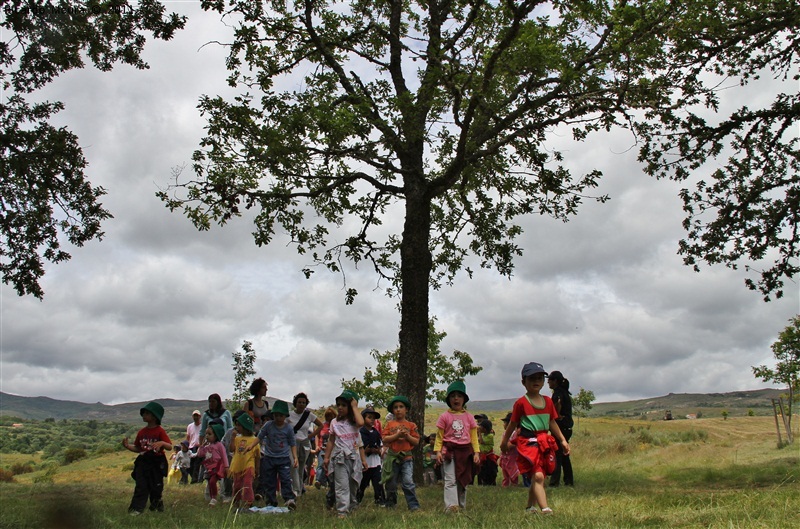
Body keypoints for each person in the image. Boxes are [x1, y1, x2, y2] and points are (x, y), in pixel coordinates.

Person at [500, 362, 570, 515]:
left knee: (539, 476)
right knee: (538, 475)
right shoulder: (521, 403)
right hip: (528, 444)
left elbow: (552, 422)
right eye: (532, 378)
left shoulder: (548, 401)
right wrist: (504, 442)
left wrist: (563, 440)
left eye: (539, 378)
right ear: (523, 382)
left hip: (544, 443)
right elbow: (512, 424)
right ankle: (545, 509)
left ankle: (529, 507)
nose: (536, 381)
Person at [434, 381, 479, 512]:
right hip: (449, 451)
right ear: (449, 399)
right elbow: (439, 436)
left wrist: (476, 453)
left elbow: (474, 437)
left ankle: (461, 505)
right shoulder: (444, 416)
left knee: (462, 479)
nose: (456, 398)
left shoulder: (469, 417)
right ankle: (451, 507)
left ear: (464, 399)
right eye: (453, 396)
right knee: (450, 479)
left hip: (465, 452)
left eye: (459, 395)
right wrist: (438, 451)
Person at [122, 401, 172, 516]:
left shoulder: (160, 431)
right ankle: (136, 509)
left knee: (156, 487)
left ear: (154, 416)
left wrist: (162, 443)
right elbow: (138, 448)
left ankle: (156, 506)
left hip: (157, 462)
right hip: (143, 462)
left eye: (147, 413)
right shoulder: (141, 432)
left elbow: (169, 446)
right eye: (143, 413)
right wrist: (128, 446)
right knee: (141, 485)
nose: (144, 415)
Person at [324, 390, 367, 518]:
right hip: (340, 458)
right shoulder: (334, 423)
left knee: (353, 484)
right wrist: (326, 457)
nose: (340, 408)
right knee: (341, 485)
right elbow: (331, 440)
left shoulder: (355, 423)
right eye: (339, 405)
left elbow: (361, 423)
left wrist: (354, 406)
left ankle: (352, 506)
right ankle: (342, 511)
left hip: (354, 458)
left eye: (344, 405)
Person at [380, 395, 420, 511]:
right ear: (392, 410)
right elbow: (385, 439)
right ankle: (391, 504)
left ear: (406, 409)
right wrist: (397, 435)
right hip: (392, 457)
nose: (398, 409)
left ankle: (413, 505)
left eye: (401, 407)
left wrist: (407, 436)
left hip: (407, 458)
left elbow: (416, 441)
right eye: (395, 407)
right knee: (391, 482)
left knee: (408, 482)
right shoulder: (389, 424)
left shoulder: (411, 425)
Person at [256, 399, 298, 510]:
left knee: (285, 479)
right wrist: (252, 446)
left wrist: (295, 457)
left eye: (280, 415)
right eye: (276, 415)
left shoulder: (288, 428)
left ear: (285, 416)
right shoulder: (268, 425)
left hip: (283, 458)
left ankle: (289, 499)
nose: (278, 418)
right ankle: (270, 501)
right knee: (269, 480)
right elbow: (259, 437)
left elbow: (292, 443)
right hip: (269, 457)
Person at [288, 392, 323, 497]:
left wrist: (311, 435)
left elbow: (320, 425)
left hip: (304, 443)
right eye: (299, 402)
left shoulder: (309, 415)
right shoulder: (289, 415)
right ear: (295, 403)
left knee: (301, 467)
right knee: (293, 465)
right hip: (293, 443)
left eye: (303, 402)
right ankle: (295, 490)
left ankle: (299, 489)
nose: (301, 404)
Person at [228, 412, 260, 509]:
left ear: (245, 427)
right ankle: (236, 502)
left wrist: (257, 469)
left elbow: (257, 456)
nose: (236, 427)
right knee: (237, 485)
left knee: (247, 484)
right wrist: (232, 438)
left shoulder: (254, 440)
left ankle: (248, 502)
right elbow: (231, 449)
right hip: (238, 466)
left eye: (239, 425)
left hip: (248, 466)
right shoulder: (237, 438)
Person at [548, 370, 574, 487]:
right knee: (564, 455)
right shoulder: (565, 392)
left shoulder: (557, 393)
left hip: (560, 427)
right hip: (567, 427)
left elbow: (556, 406)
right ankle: (568, 481)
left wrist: (556, 415)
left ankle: (554, 482)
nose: (548, 382)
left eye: (550, 380)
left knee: (557, 454)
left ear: (555, 381)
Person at [357, 406, 385, 506]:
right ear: (363, 419)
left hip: (376, 462)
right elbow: (358, 447)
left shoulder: (376, 433)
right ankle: (357, 499)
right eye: (369, 417)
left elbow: (381, 445)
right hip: (365, 462)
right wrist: (366, 450)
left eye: (373, 418)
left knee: (378, 482)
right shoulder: (360, 432)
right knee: (363, 482)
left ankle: (380, 500)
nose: (372, 420)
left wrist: (378, 451)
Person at [197, 422, 229, 506]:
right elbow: (200, 454)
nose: (207, 436)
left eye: (209, 434)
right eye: (206, 434)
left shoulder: (219, 445)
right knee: (210, 482)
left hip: (218, 467)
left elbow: (224, 456)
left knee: (213, 481)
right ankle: (212, 497)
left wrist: (226, 466)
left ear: (216, 435)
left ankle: (215, 498)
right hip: (209, 468)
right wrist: (201, 446)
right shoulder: (207, 446)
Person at [498, 413, 520, 487]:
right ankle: (505, 484)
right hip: (505, 456)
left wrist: (507, 446)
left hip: (512, 457)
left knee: (512, 470)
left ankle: (514, 483)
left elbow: (514, 443)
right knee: (505, 471)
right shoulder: (505, 434)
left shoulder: (515, 433)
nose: (504, 424)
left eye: (505, 422)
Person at [477, 419, 498, 485]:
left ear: (485, 429)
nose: (480, 428)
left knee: (490, 472)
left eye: (481, 427)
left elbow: (481, 441)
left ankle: (490, 483)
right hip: (483, 456)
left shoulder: (490, 436)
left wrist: (479, 433)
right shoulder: (484, 435)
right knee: (483, 472)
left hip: (489, 458)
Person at [186, 410, 203, 484]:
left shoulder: (203, 426)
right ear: (192, 417)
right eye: (194, 416)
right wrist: (187, 446)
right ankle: (194, 478)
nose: (196, 417)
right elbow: (188, 436)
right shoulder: (190, 426)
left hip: (199, 447)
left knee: (197, 464)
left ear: (200, 416)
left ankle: (195, 480)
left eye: (197, 416)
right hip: (191, 447)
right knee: (190, 465)